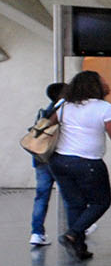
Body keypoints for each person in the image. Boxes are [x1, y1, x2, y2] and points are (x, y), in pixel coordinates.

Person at [47, 70, 111, 260]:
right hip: (87, 162)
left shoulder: (64, 106)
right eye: (103, 81)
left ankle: (79, 247)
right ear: (95, 86)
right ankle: (72, 234)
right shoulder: (105, 108)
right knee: (101, 202)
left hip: (59, 161)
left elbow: (47, 125)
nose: (106, 84)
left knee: (75, 204)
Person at [27, 81, 64, 247]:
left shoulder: (43, 112)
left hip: (41, 159)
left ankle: (36, 233)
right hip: (57, 158)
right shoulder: (64, 110)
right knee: (70, 195)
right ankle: (79, 227)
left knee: (41, 197)